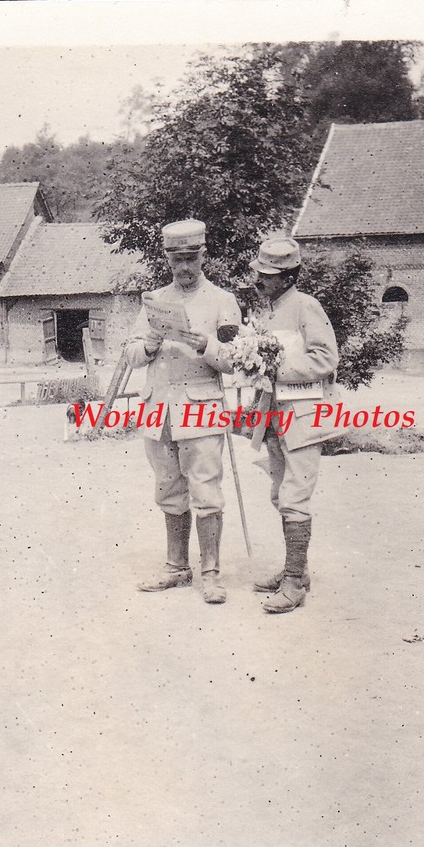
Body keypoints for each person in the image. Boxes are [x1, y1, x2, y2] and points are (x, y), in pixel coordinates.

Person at [126, 219, 241, 604]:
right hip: (159, 410)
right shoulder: (154, 300)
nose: (185, 268)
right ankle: (177, 566)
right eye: (177, 260)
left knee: (206, 491)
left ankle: (210, 573)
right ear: (167, 259)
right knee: (169, 490)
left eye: (191, 258)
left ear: (203, 255)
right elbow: (129, 354)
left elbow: (236, 361)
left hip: (202, 408)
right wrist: (149, 344)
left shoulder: (222, 301)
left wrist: (207, 344)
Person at [248, 235, 341, 615]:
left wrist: (276, 368)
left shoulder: (306, 306)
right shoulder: (269, 311)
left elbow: (325, 358)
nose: (260, 281)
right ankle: (296, 571)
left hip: (303, 417)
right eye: (260, 273)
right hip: (275, 415)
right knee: (278, 493)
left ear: (288, 277)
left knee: (294, 497)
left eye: (268, 276)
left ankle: (293, 584)